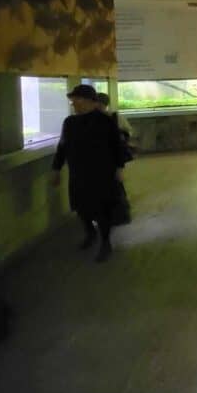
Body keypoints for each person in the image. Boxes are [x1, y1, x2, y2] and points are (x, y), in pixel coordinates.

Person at [51, 84, 126, 262]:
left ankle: (105, 242)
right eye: (73, 100)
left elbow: (117, 147)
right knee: (81, 207)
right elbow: (62, 147)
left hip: (102, 174)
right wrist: (56, 168)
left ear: (90, 101)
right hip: (78, 174)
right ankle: (90, 233)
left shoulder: (106, 121)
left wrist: (119, 168)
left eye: (77, 99)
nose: (73, 103)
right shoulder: (69, 123)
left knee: (102, 209)